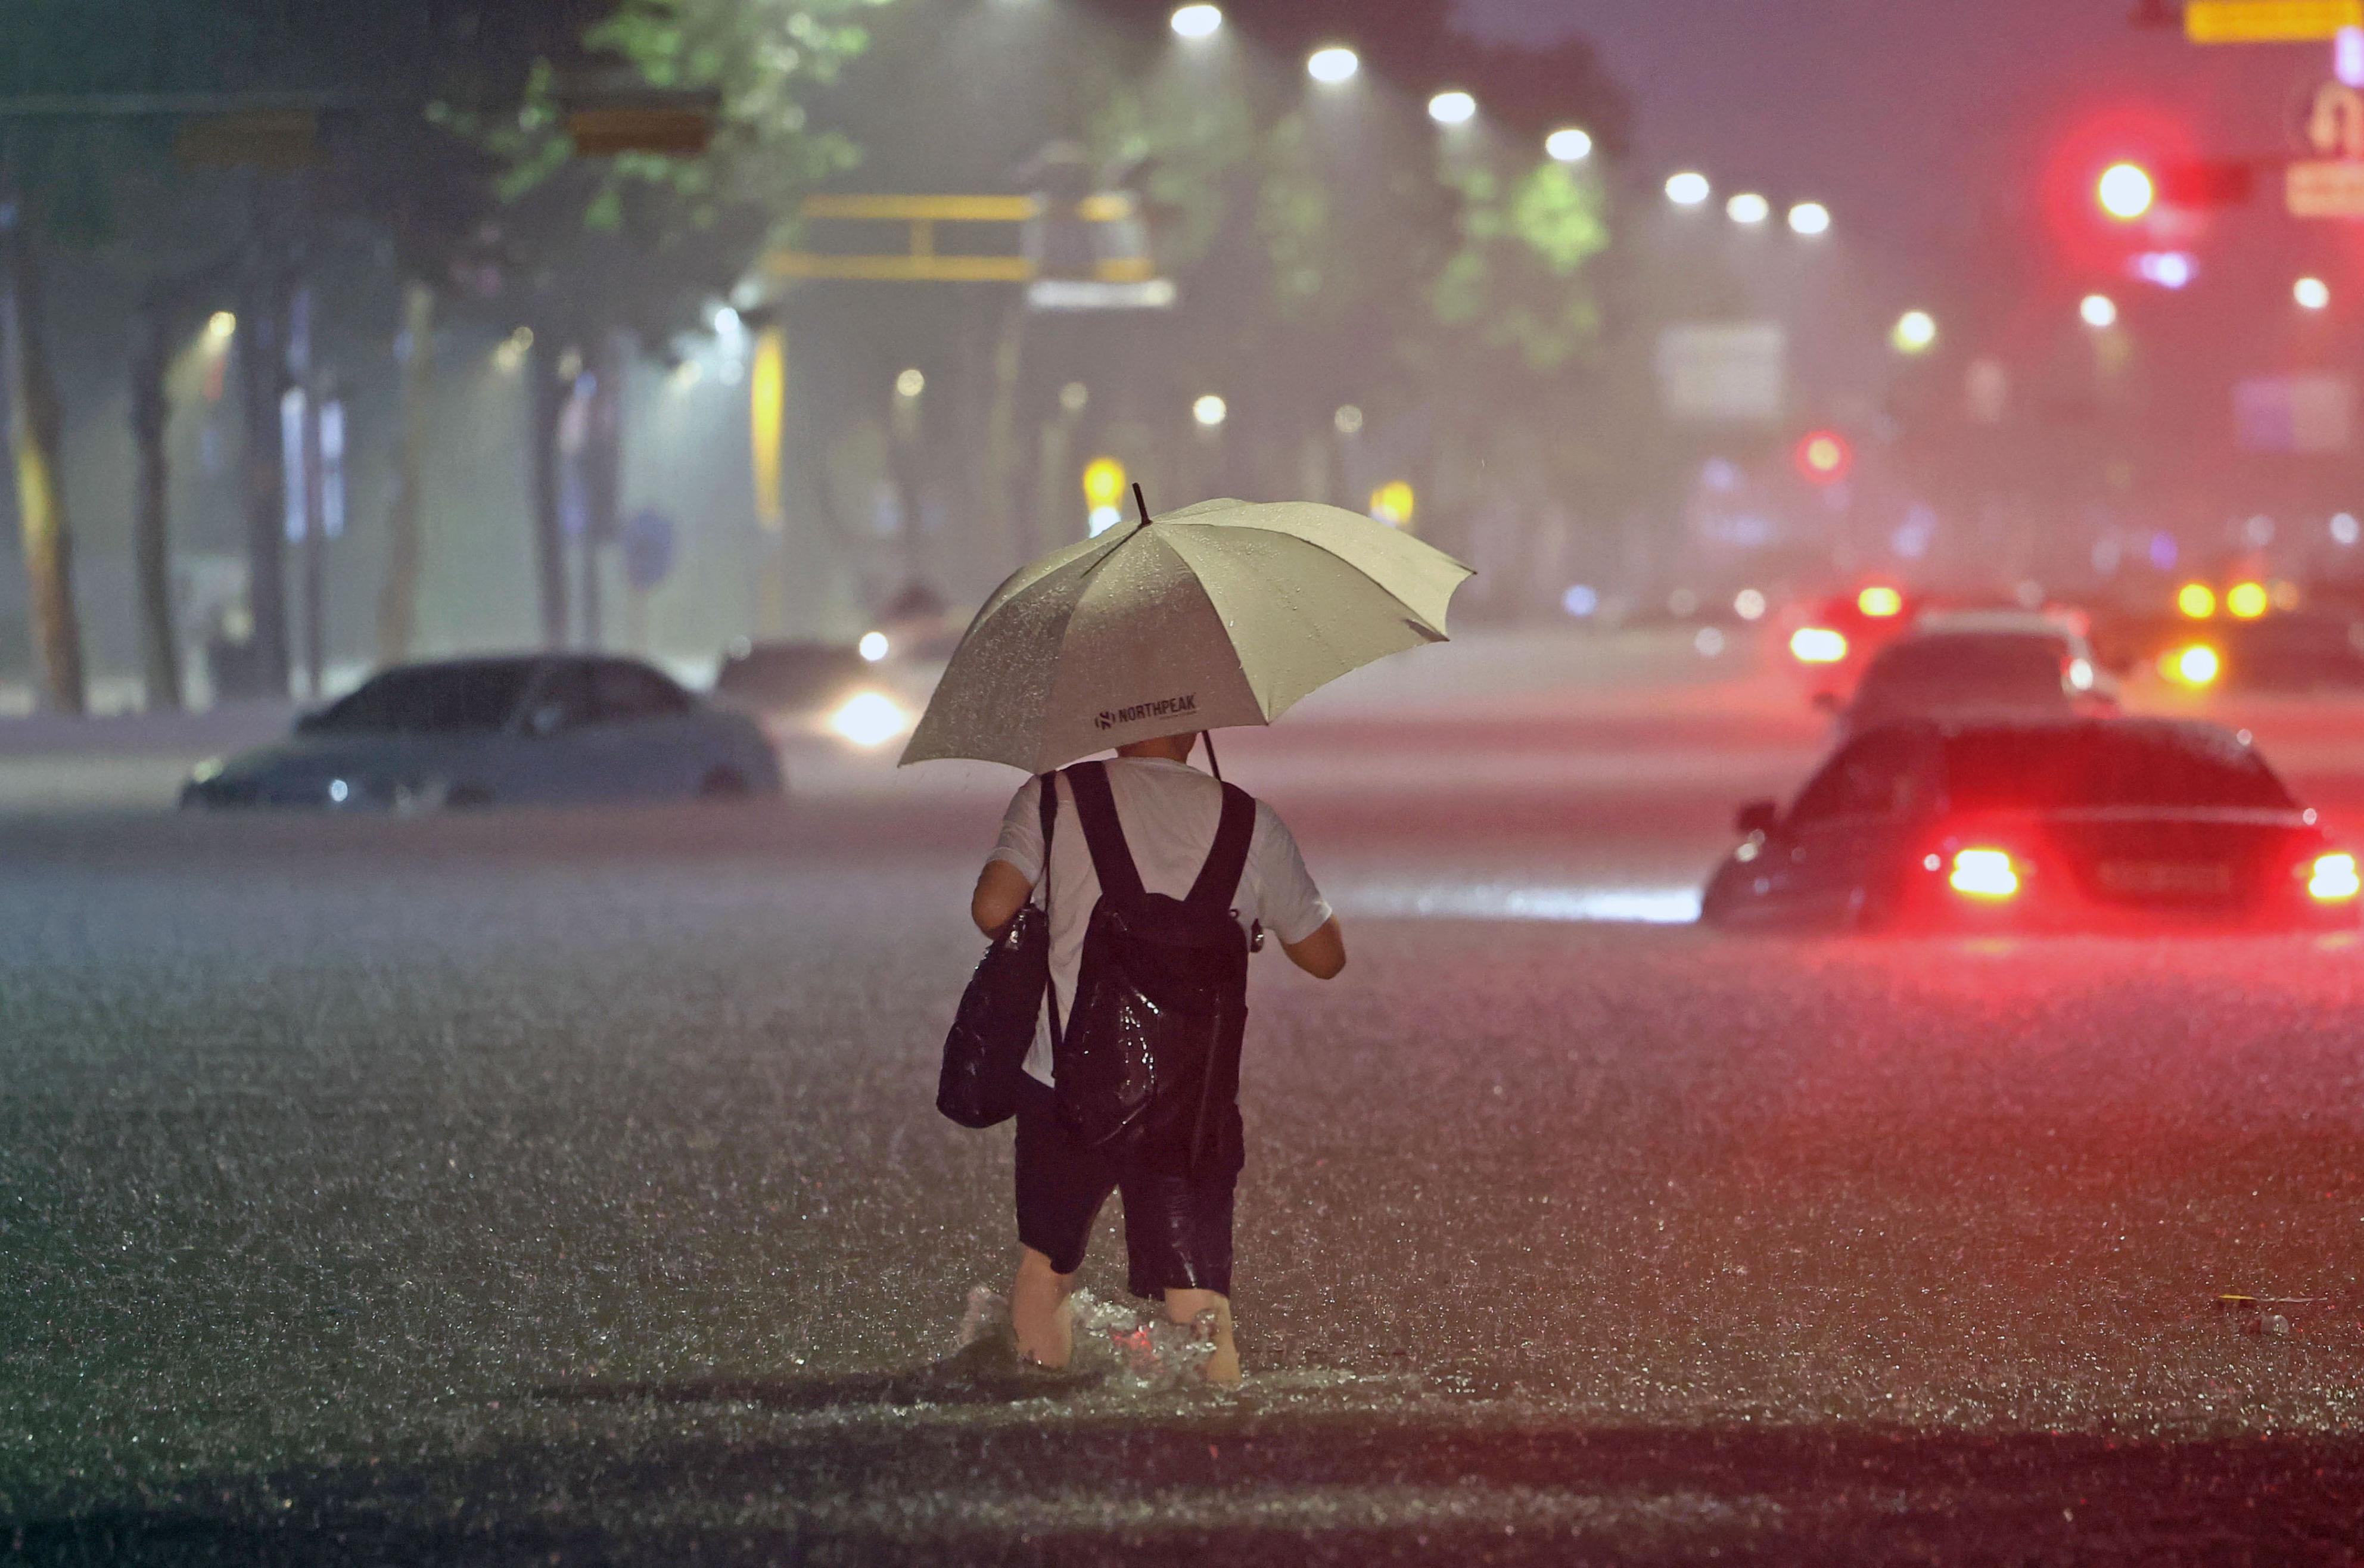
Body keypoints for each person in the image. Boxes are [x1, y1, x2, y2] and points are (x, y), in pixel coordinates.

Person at [969, 731, 1345, 1385]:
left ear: (1110, 720)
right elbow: (1324, 957)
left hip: (1061, 1083)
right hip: (1189, 1099)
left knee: (1047, 1264)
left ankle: (1033, 1398)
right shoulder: (1247, 818)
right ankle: (1212, 1426)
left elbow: (991, 909)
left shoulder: (1053, 797)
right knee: (1197, 1290)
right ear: (1198, 725)